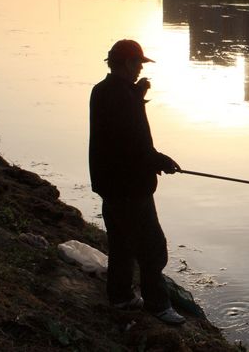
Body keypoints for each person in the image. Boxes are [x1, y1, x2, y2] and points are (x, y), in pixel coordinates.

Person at [89, 39, 185, 325]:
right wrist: (161, 161)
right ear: (128, 63)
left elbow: (121, 128)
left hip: (110, 185)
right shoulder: (123, 98)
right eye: (138, 63)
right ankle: (158, 305)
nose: (140, 68)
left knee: (121, 245)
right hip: (131, 187)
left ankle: (120, 296)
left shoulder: (103, 90)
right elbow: (134, 144)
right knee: (153, 249)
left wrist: (138, 92)